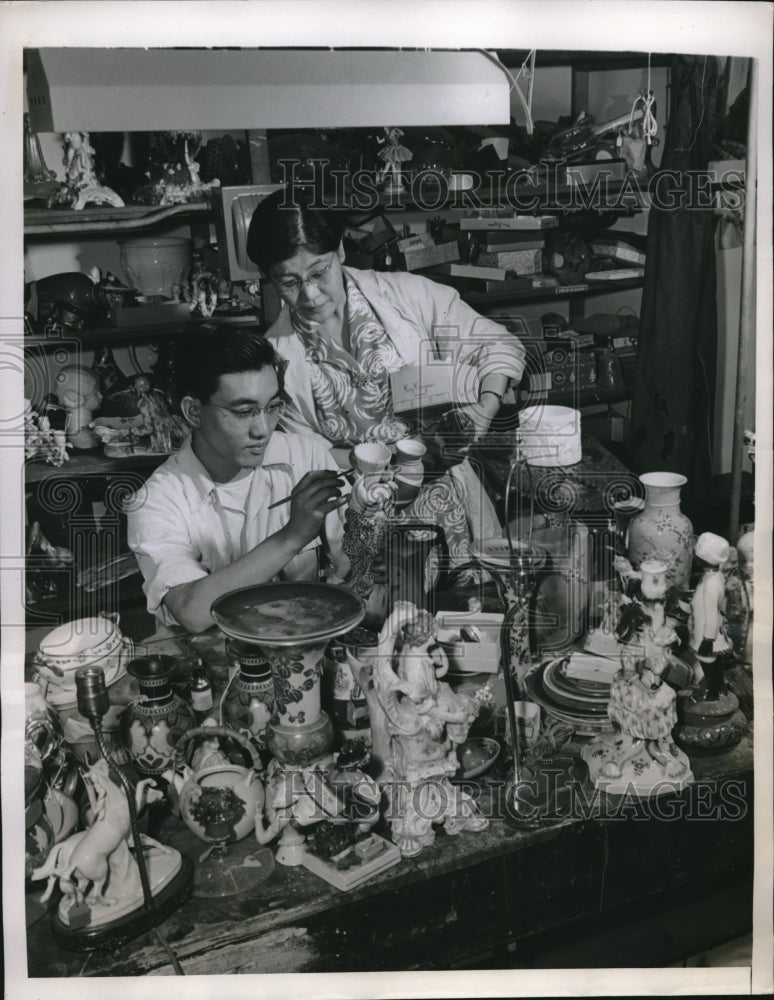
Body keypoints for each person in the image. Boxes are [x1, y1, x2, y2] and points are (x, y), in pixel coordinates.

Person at [245, 187, 526, 571]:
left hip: (450, 509)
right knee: (381, 621)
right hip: (358, 519)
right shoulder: (276, 359)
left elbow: (496, 345)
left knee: (467, 618)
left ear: (340, 251)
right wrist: (379, 467)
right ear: (269, 278)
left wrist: (484, 408)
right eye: (289, 282)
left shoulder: (407, 296)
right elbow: (305, 460)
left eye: (319, 271)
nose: (309, 294)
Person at [126, 327, 350, 634]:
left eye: (272, 407)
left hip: (297, 648)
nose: (263, 429)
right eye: (244, 412)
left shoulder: (305, 457)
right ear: (193, 411)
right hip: (205, 663)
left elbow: (354, 560)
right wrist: (293, 535)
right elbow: (191, 611)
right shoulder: (158, 499)